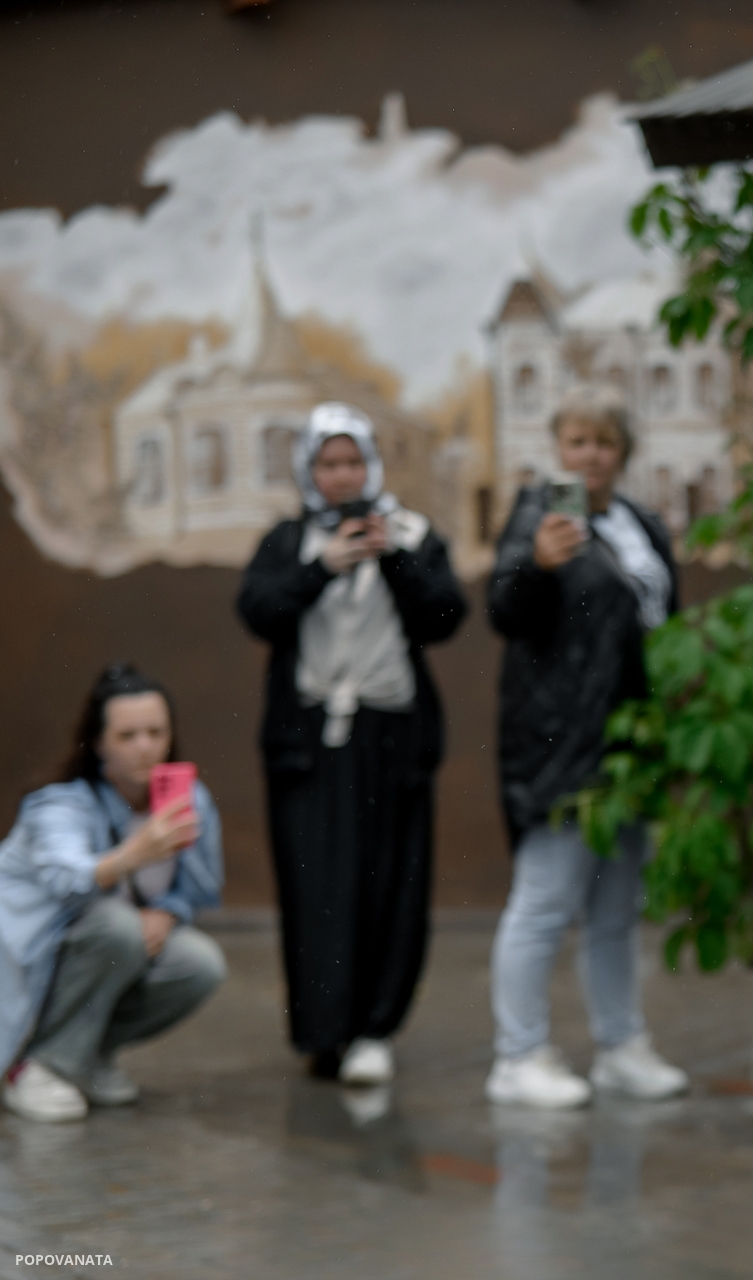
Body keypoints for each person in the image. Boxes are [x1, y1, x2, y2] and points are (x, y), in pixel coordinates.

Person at [238, 402, 468, 1085]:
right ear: (308, 470)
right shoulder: (288, 541)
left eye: (352, 462)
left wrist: (389, 555)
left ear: (371, 465)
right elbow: (258, 611)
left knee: (390, 882)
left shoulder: (411, 533)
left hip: (391, 739)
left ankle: (374, 1029)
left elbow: (445, 615)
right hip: (308, 743)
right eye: (328, 463)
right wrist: (323, 567)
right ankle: (323, 1031)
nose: (342, 476)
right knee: (316, 887)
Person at [486, 388, 687, 1108]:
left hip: (636, 744)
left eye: (603, 442)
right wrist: (536, 564)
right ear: (558, 449)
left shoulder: (642, 523)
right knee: (543, 902)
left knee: (616, 907)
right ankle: (517, 1056)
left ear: (622, 452)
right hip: (559, 745)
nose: (590, 455)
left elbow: (667, 620)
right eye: (577, 442)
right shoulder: (536, 514)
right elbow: (503, 610)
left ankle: (619, 1047)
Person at [0, 666, 225, 1123]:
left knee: (199, 963)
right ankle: (41, 1066)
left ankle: (86, 1055)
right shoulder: (60, 804)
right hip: (31, 958)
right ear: (99, 742)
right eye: (127, 735)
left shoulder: (187, 799)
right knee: (118, 927)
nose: (145, 746)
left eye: (156, 732)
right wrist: (133, 855)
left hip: (103, 954)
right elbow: (67, 880)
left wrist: (168, 912)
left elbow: (201, 887)